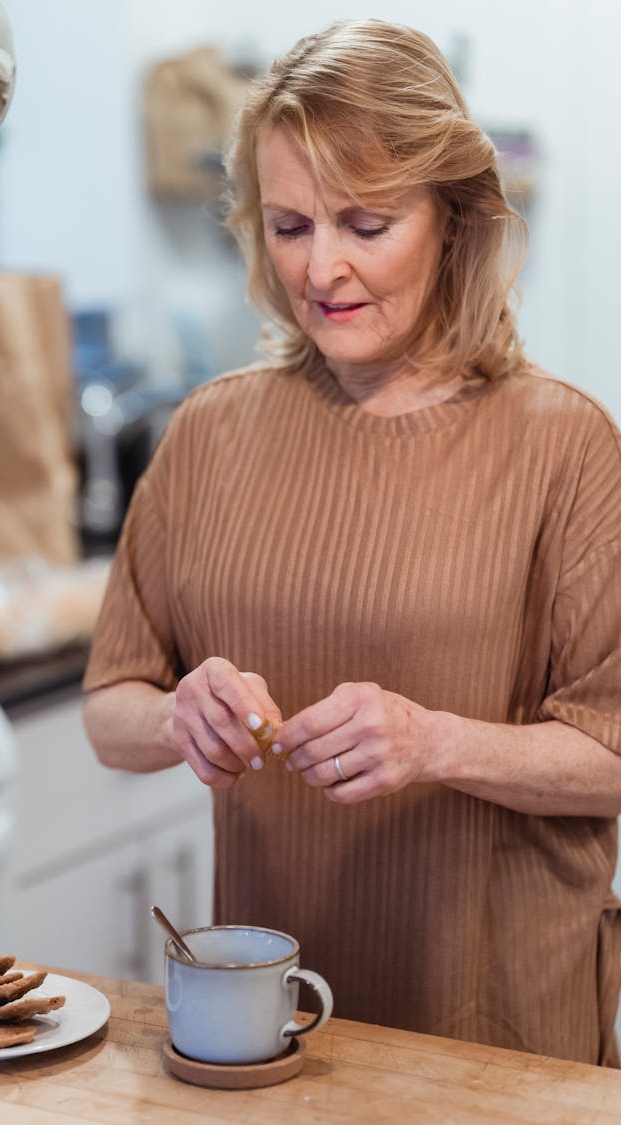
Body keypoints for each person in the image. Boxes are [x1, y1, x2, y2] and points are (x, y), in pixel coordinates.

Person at [82, 19, 621, 1065]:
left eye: (366, 224)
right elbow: (112, 712)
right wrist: (177, 721)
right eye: (290, 225)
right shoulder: (208, 432)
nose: (321, 267)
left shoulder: (569, 445)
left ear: (454, 222)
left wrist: (436, 744)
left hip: (497, 1031)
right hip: (262, 1021)